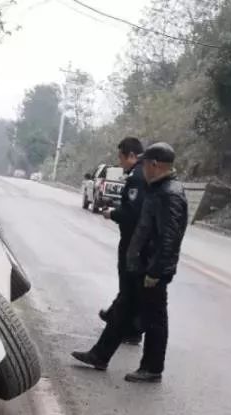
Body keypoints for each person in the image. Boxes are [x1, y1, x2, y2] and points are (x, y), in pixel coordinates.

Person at [72, 142, 188, 382]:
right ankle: (100, 355)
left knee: (155, 320)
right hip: (141, 265)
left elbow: (170, 239)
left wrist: (156, 271)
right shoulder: (157, 189)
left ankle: (152, 368)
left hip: (151, 269)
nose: (142, 168)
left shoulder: (170, 194)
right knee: (123, 309)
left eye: (145, 163)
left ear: (155, 165)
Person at [100, 137, 146, 345]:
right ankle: (115, 316)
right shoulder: (142, 174)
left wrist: (113, 213)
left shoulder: (137, 177)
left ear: (131, 155)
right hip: (136, 240)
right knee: (130, 287)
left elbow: (132, 212)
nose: (120, 163)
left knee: (130, 286)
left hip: (132, 241)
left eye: (121, 157)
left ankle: (130, 328)